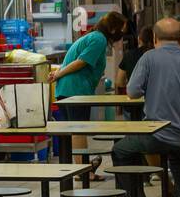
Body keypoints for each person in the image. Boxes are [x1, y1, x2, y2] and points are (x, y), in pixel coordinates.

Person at [111, 18, 180, 197]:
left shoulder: (149, 58)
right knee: (179, 152)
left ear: (155, 38)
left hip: (159, 136)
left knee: (120, 150)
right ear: (179, 38)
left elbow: (132, 92)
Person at [51, 10, 128, 176]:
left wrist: (59, 73)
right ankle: (83, 172)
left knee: (76, 130)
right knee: (79, 130)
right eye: (121, 30)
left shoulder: (93, 37)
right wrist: (58, 74)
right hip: (74, 90)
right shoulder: (99, 39)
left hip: (68, 89)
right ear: (113, 30)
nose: (123, 34)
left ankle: (82, 169)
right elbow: (81, 62)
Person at [115, 25, 154, 91]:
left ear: (139, 39)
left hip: (135, 97)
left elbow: (119, 82)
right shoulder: (159, 55)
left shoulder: (129, 55)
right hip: (156, 96)